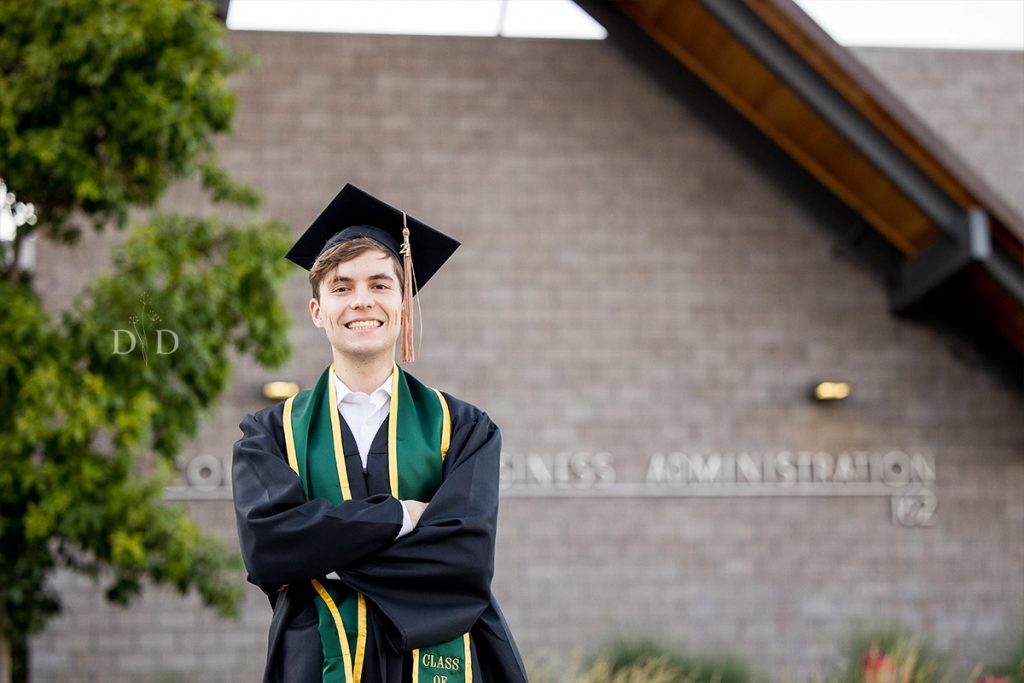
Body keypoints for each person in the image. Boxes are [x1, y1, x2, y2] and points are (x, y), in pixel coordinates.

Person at [231, 184, 528, 683]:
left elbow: (464, 564)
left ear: (405, 300)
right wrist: (399, 517)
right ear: (317, 311)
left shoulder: (464, 429)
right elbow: (268, 550)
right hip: (314, 662)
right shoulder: (270, 435)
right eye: (342, 288)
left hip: (443, 659)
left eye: (380, 284)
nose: (361, 301)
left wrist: (322, 558)